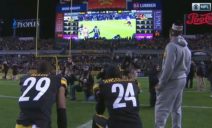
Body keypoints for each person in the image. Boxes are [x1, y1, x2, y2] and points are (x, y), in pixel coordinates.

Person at [155, 21, 191, 128]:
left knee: (162, 108)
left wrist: (161, 84)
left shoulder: (171, 46)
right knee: (176, 108)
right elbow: (188, 68)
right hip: (182, 78)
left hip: (172, 80)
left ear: (171, 32)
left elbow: (168, 68)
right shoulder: (186, 48)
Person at [15, 60, 68, 128]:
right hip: (41, 123)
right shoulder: (58, 79)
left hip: (20, 124)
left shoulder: (25, 78)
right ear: (50, 71)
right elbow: (61, 108)